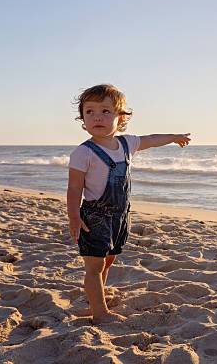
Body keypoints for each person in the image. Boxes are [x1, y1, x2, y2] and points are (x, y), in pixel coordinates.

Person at [66, 83, 190, 324]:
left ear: (120, 118)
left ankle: (96, 299)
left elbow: (152, 139)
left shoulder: (126, 144)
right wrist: (73, 216)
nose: (97, 117)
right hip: (95, 216)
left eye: (105, 111)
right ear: (82, 118)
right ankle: (100, 313)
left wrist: (174, 137)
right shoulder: (83, 153)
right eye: (89, 112)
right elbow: (74, 187)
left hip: (120, 216)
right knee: (94, 265)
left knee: (109, 259)